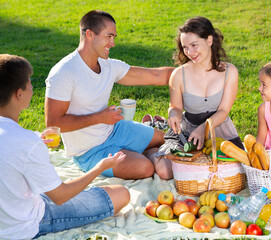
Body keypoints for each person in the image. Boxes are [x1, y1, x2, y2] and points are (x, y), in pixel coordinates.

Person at [0, 54, 130, 239]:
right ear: (19, 94)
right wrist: (99, 167)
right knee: (121, 194)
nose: (32, 88)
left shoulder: (26, 140)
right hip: (24, 224)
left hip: (10, 211)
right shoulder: (27, 142)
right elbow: (60, 197)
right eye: (29, 83)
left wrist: (36, 139)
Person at [45, 10, 173, 180]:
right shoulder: (64, 73)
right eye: (109, 36)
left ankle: (143, 150)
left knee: (165, 139)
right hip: (89, 151)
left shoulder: (109, 66)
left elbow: (155, 75)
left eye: (114, 37)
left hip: (116, 129)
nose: (113, 43)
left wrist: (197, 72)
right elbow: (53, 123)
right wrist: (99, 118)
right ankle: (143, 153)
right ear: (90, 34)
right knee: (144, 169)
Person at [154, 17, 244, 180]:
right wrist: (173, 113)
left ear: (209, 40)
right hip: (186, 132)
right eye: (185, 47)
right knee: (165, 171)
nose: (189, 52)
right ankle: (152, 152)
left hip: (218, 130)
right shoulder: (179, 74)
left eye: (194, 45)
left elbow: (224, 111)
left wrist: (203, 129)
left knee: (227, 172)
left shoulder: (230, 72)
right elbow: (175, 106)